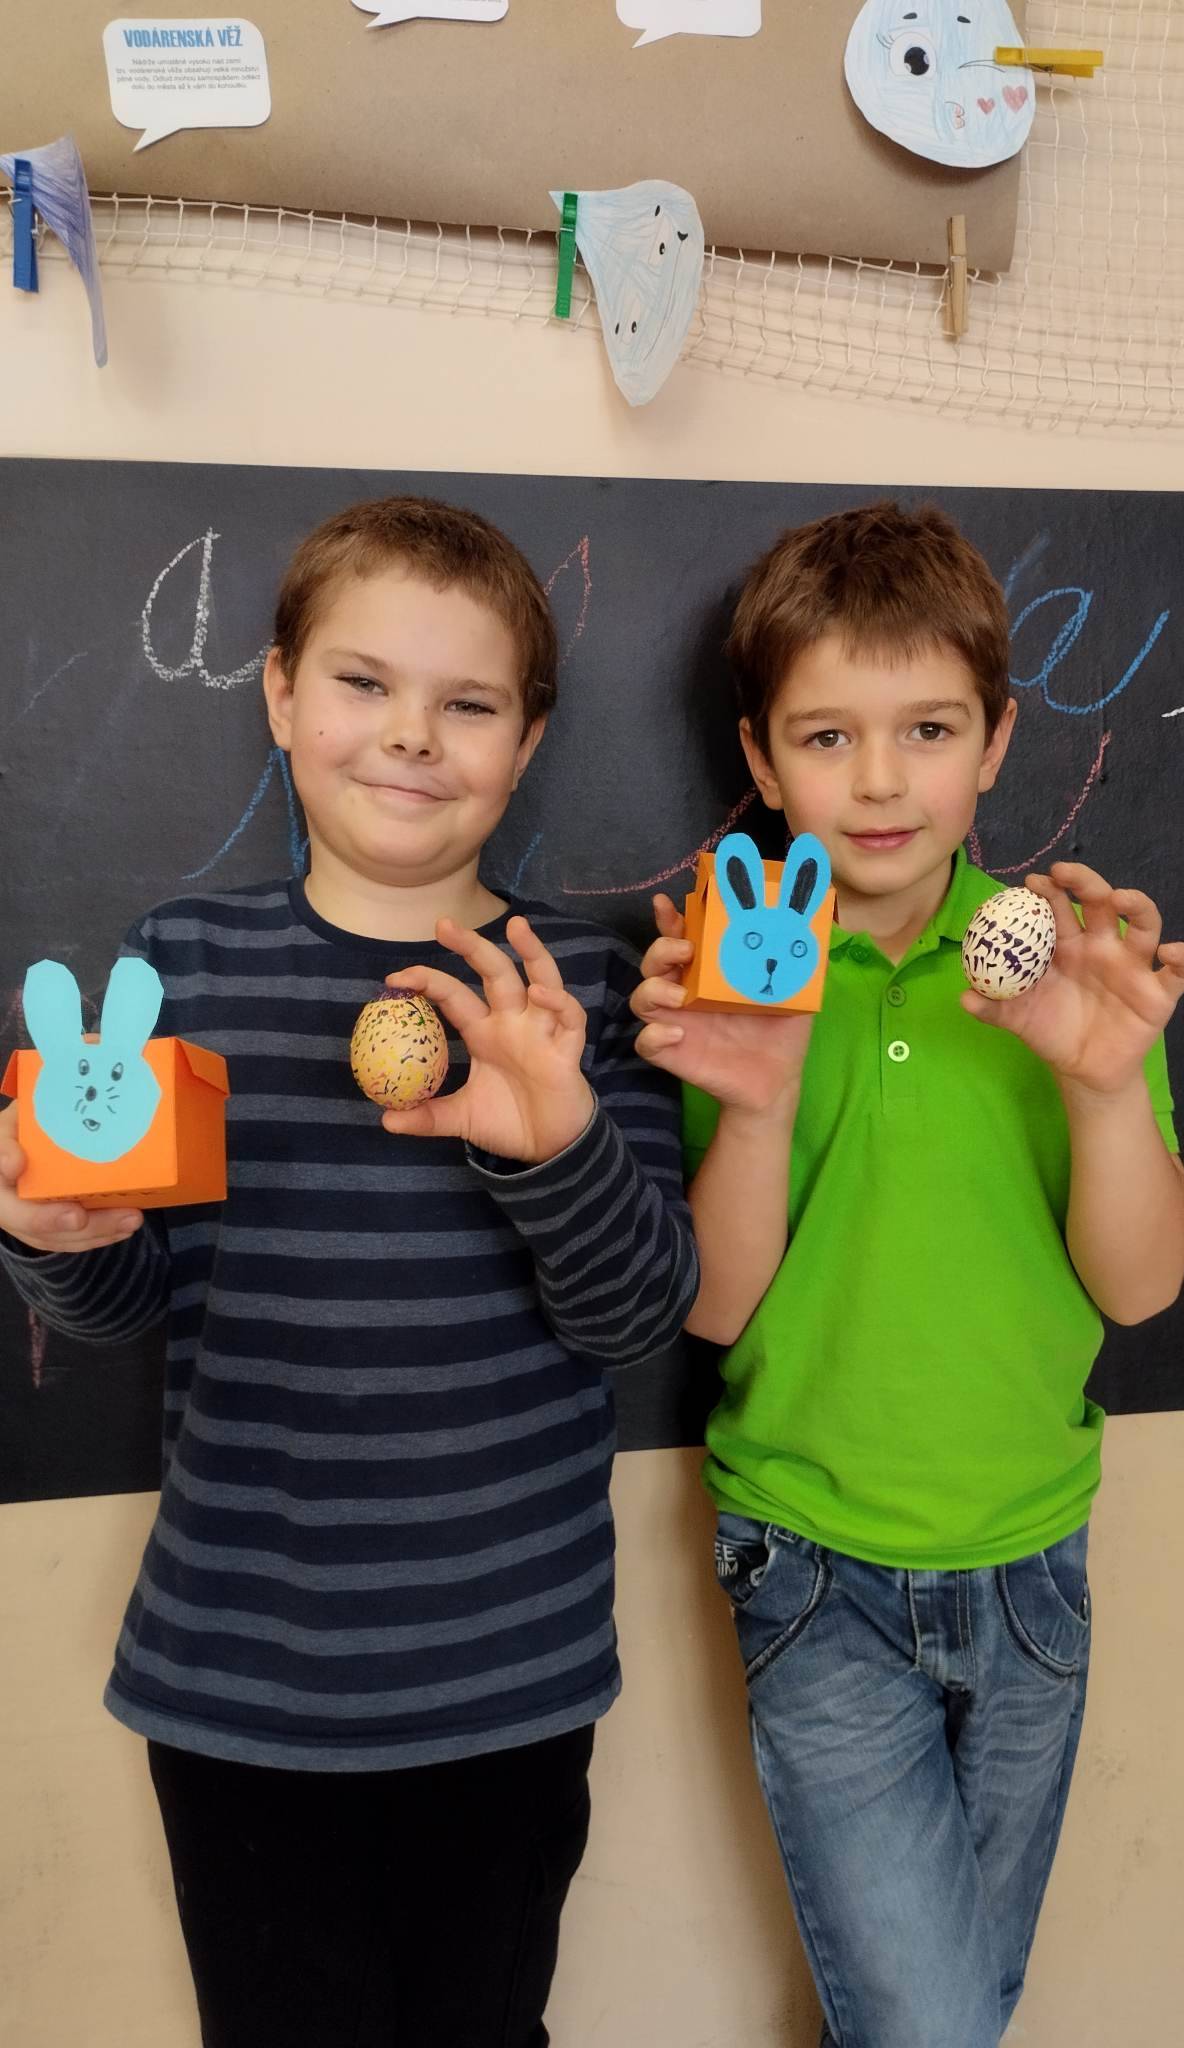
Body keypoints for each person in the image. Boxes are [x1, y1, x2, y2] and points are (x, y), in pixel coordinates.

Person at [0, 495, 698, 2048]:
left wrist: (557, 1142)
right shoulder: (178, 965)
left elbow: (635, 1315)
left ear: (527, 740)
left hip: (506, 1680)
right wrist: (58, 1243)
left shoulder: (583, 988)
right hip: (239, 1685)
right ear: (279, 693)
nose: (411, 737)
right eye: (363, 682)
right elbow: (132, 1305)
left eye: (469, 704)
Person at [631, 500, 1184, 2048]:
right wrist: (756, 1096)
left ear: (995, 742)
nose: (879, 782)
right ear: (760, 762)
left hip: (1029, 1556)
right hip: (812, 1560)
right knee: (933, 2026)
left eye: (928, 729)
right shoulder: (734, 971)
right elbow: (715, 1306)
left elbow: (1140, 1290)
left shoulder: (1068, 960)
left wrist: (1100, 1087)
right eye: (826, 737)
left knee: (938, 2018)